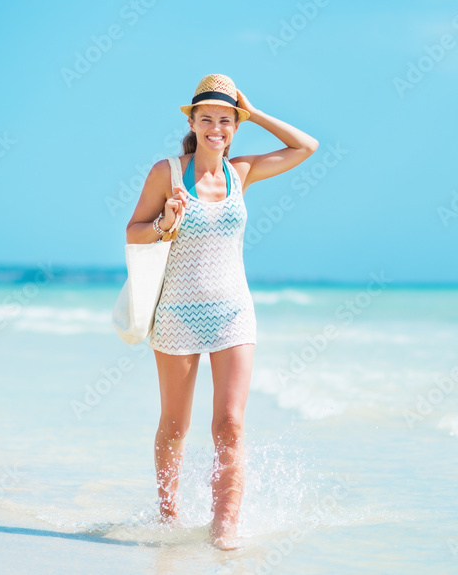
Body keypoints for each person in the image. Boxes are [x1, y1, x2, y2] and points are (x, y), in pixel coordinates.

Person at [125, 73, 318, 549]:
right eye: (207, 118)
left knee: (229, 423)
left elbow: (305, 147)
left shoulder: (243, 172)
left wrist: (257, 113)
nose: (216, 127)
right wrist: (165, 222)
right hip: (177, 314)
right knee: (175, 425)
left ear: (235, 126)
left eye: (226, 120)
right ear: (193, 121)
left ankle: (224, 524)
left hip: (234, 312)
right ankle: (168, 516)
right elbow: (134, 232)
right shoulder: (166, 172)